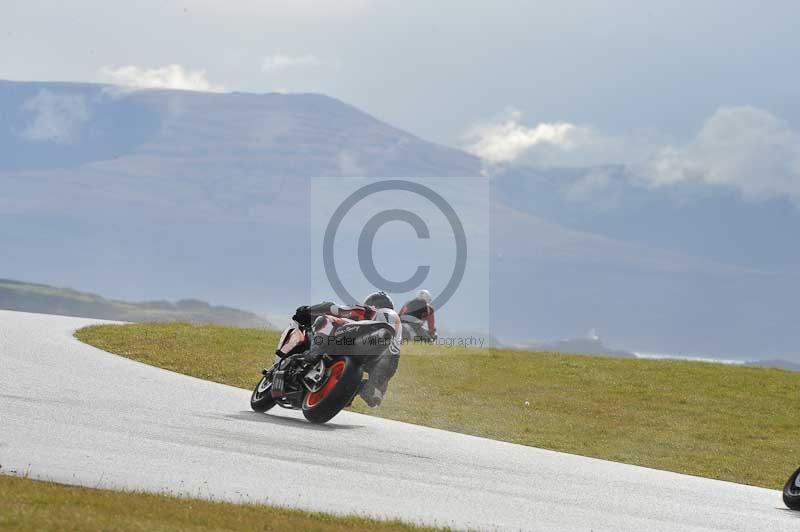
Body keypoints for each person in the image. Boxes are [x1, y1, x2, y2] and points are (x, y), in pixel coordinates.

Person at [291, 291, 401, 407]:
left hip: (367, 336)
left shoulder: (371, 311)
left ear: (372, 303)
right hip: (389, 358)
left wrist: (308, 310)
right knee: (374, 390)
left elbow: (333, 308)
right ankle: (361, 390)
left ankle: (313, 355)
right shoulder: (396, 328)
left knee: (325, 320)